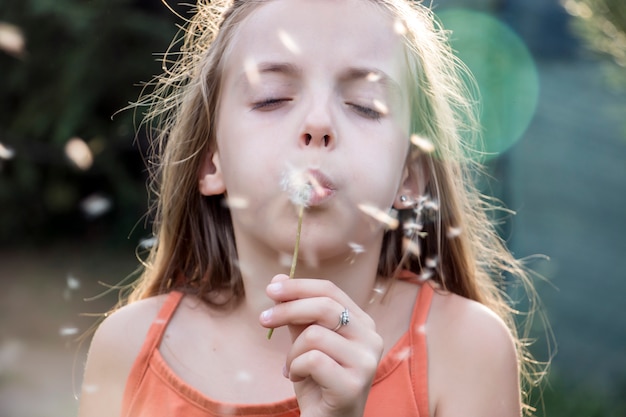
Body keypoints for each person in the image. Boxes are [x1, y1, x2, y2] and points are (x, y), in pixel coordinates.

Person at [78, 0, 542, 416]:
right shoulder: (127, 348)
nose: (318, 122)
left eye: (365, 106)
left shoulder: (465, 351)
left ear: (410, 178)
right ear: (210, 162)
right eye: (272, 98)